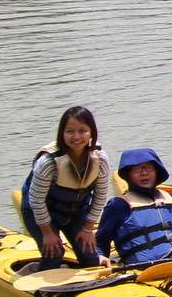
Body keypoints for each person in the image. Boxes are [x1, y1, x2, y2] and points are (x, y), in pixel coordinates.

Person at [19, 106, 111, 267]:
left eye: (83, 131)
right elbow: (36, 201)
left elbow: (100, 196)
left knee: (90, 258)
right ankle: (39, 280)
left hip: (76, 212)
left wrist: (88, 229)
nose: (76, 137)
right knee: (53, 255)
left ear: (91, 133)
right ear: (62, 133)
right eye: (70, 131)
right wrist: (48, 233)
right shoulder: (48, 162)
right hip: (40, 212)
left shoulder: (100, 158)